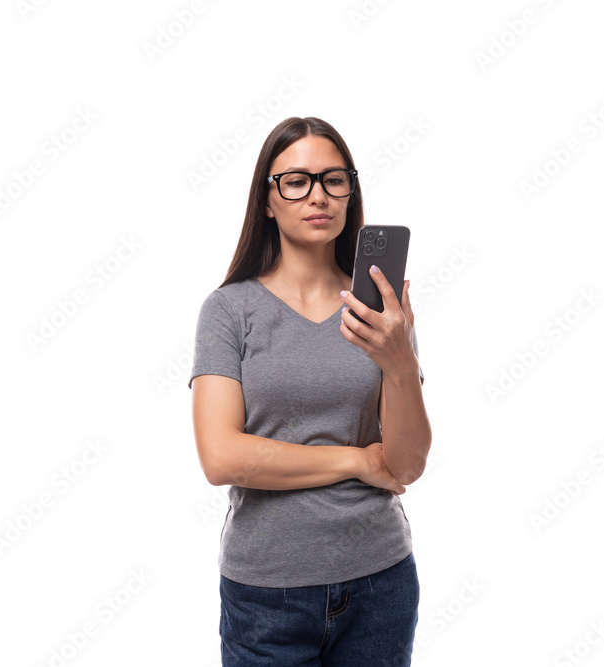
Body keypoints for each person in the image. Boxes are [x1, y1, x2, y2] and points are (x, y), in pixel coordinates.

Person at [188, 116, 432, 666]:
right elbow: (221, 456)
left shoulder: (382, 314)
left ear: (350, 193)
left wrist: (399, 360)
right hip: (267, 595)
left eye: (333, 179)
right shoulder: (229, 311)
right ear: (267, 200)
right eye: (295, 181)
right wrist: (354, 461)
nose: (317, 195)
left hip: (381, 584)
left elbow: (406, 464)